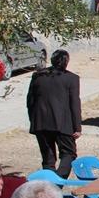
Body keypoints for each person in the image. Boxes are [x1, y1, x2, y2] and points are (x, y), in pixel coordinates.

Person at [26, 49, 82, 177]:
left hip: (40, 123)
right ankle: (57, 183)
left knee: (48, 159)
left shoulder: (38, 76)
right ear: (66, 62)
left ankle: (50, 184)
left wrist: (33, 121)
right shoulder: (71, 78)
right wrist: (77, 127)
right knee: (69, 153)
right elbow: (74, 103)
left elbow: (30, 101)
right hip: (63, 124)